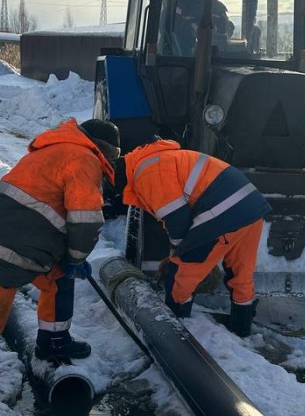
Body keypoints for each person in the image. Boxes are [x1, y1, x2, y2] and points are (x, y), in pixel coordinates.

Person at [0, 119, 121, 416]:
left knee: (58, 279)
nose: (111, 163)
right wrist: (75, 258)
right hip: (6, 253)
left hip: (1, 240)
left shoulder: (55, 150)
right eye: (113, 157)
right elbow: (86, 220)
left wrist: (66, 263)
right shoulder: (84, 159)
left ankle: (53, 341)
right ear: (104, 150)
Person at [111, 139, 271, 337]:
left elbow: (177, 219)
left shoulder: (146, 173)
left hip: (223, 211)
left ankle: (177, 331)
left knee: (180, 274)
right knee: (240, 272)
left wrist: (176, 256)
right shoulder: (157, 159)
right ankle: (241, 328)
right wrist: (175, 252)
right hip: (250, 207)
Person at [159, 0, 235, 56]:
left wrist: (219, 31)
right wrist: (188, 28)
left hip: (210, 58)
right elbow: (163, 28)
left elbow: (228, 29)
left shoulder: (218, 8)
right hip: (173, 58)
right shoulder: (173, 4)